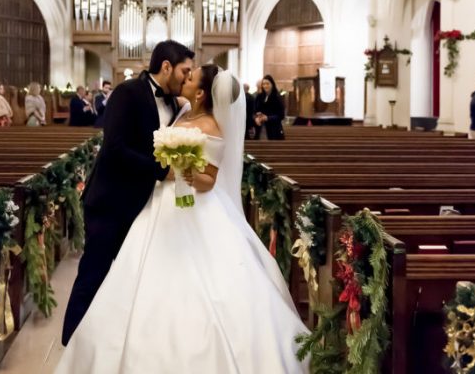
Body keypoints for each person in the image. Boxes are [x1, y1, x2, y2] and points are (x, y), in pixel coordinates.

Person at [56, 66, 309, 373]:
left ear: (202, 93)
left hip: (195, 208)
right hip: (160, 205)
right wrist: (167, 165)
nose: (185, 78)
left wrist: (185, 172)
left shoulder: (212, 127)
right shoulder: (182, 111)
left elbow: (209, 181)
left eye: (191, 78)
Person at [61, 40, 195, 345]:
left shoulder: (175, 104)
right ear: (166, 67)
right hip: (110, 202)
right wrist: (162, 171)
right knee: (92, 276)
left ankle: (116, 346)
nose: (186, 79)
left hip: (144, 208)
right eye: (184, 72)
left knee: (130, 280)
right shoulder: (128, 92)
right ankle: (70, 345)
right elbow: (115, 149)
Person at [254, 75, 285, 140]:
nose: (265, 86)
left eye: (267, 84)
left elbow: (281, 115)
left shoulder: (277, 97)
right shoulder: (259, 97)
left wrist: (268, 118)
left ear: (272, 84)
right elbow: (254, 112)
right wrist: (255, 118)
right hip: (260, 130)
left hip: (274, 130)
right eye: (263, 84)